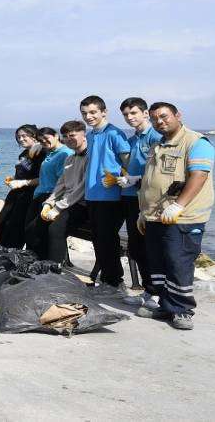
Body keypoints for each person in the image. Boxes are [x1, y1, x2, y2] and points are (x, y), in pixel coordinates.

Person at [135, 102, 214, 330]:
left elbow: (198, 176)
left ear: (178, 115)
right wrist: (143, 212)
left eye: (164, 116)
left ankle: (182, 311)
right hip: (154, 217)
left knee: (178, 264)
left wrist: (178, 205)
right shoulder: (158, 145)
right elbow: (151, 182)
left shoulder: (196, 142)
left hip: (182, 218)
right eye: (155, 119)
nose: (160, 121)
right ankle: (166, 305)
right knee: (158, 265)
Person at [79, 95, 131, 296]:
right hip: (92, 195)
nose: (88, 116)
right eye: (84, 113)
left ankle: (116, 282)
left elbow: (128, 164)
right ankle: (108, 281)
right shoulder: (91, 135)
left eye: (93, 112)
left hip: (111, 197)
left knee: (108, 240)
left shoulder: (115, 134)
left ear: (104, 112)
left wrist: (122, 178)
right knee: (99, 239)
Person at [117, 97, 164, 309]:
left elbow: (160, 170)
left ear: (145, 113)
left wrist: (136, 179)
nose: (129, 118)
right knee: (135, 248)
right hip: (129, 197)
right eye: (126, 114)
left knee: (150, 247)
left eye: (133, 113)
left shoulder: (155, 136)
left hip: (147, 200)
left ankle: (158, 293)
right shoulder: (134, 138)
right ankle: (148, 290)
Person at [28, 121, 88, 264]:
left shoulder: (90, 157)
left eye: (72, 135)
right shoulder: (69, 158)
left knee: (55, 229)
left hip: (81, 204)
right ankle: (39, 265)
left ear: (84, 135)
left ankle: (55, 269)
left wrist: (58, 207)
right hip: (66, 202)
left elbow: (82, 187)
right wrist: (49, 203)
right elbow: (60, 185)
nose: (68, 139)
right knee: (35, 227)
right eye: (65, 136)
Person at [23, 127, 73, 254]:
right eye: (41, 140)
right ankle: (32, 262)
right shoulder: (50, 152)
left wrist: (53, 202)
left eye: (46, 138)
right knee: (30, 231)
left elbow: (64, 181)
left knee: (36, 232)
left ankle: (43, 264)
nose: (44, 141)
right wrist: (37, 147)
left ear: (56, 136)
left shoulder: (65, 153)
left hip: (51, 196)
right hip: (40, 195)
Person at [0, 124, 46, 248]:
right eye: (18, 137)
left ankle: (13, 253)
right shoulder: (24, 153)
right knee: (1, 223)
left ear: (34, 136)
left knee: (15, 227)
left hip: (30, 196)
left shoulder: (42, 152)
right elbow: (24, 172)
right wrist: (14, 179)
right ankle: (5, 252)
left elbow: (44, 178)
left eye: (24, 136)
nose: (21, 139)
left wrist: (22, 182)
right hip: (15, 194)